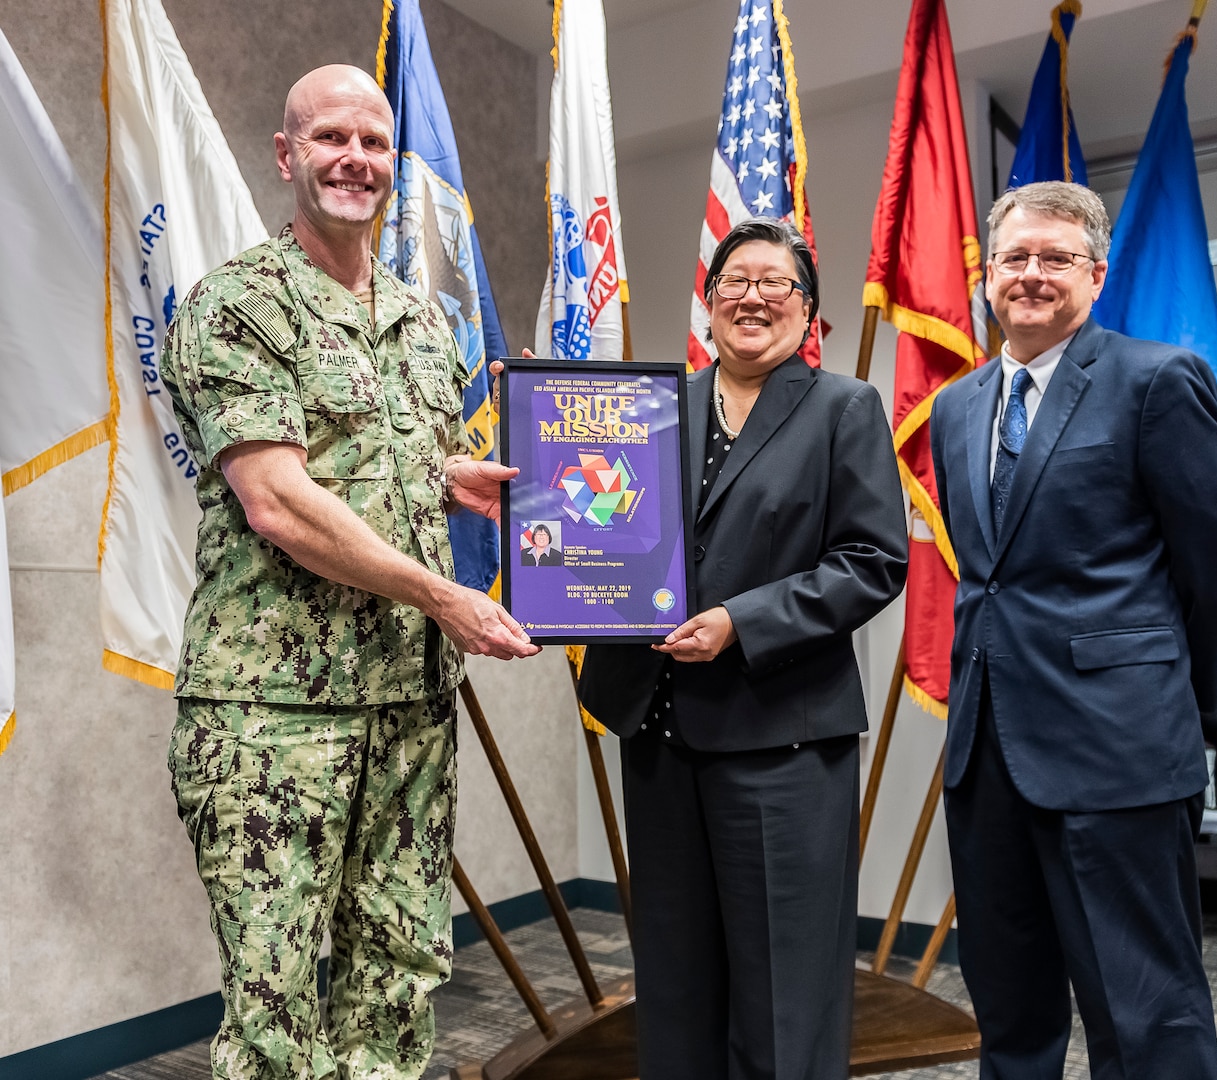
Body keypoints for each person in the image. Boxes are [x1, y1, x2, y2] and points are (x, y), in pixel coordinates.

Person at [160, 65, 539, 1080]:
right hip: (274, 717)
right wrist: (443, 592)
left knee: (400, 978)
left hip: (407, 709)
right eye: (331, 139)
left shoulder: (423, 324)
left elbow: (378, 457)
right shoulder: (236, 305)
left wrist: (452, 475)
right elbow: (276, 500)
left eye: (373, 144)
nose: (355, 161)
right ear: (287, 156)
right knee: (278, 1007)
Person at [929, 181, 1217, 1079]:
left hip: (1118, 750)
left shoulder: (1154, 380)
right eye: (1014, 258)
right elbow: (984, 572)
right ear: (988, 274)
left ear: (1097, 274)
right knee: (1010, 1009)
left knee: (1144, 1013)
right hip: (986, 752)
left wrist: (1160, 694)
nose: (1031, 275)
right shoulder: (956, 409)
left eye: (1055, 258)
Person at [578, 218, 908, 1080]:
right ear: (709, 300)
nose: (753, 296)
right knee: (676, 989)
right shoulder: (648, 410)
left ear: (807, 309)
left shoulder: (844, 407)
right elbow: (602, 531)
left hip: (783, 745)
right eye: (735, 281)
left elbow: (873, 563)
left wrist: (741, 622)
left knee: (782, 998)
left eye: (776, 283)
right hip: (658, 736)